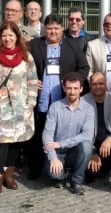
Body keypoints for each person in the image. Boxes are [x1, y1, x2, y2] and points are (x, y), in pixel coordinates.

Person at [0, 21, 39, 197]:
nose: (7, 39)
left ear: (17, 36)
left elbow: (32, 80)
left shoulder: (26, 56)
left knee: (16, 140)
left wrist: (31, 102)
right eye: (4, 35)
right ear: (0, 37)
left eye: (11, 35)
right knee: (0, 142)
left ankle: (8, 174)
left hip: (21, 106)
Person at [27, 13, 90, 179]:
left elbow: (84, 68)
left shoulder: (73, 46)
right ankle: (35, 168)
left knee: (58, 133)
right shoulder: (34, 45)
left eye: (56, 28)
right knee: (37, 134)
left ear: (62, 28)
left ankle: (61, 163)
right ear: (44, 29)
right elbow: (22, 66)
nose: (53, 32)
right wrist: (30, 79)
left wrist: (72, 80)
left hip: (63, 100)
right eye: (49, 28)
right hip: (40, 99)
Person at [43, 72, 95, 195]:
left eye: (76, 88)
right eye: (69, 88)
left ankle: (77, 181)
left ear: (81, 89)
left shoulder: (88, 109)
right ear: (64, 88)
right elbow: (47, 135)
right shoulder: (55, 107)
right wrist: (53, 157)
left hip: (75, 152)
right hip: (58, 152)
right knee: (55, 174)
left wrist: (61, 143)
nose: (72, 92)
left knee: (87, 146)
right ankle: (63, 177)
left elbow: (87, 135)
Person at [82, 72, 111, 181]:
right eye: (94, 84)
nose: (98, 86)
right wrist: (93, 152)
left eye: (101, 83)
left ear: (106, 83)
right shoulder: (83, 101)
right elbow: (79, 130)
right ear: (90, 85)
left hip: (110, 142)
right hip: (92, 143)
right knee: (91, 173)